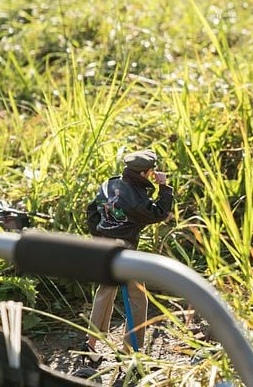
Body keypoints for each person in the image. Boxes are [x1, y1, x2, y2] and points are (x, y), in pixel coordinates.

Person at [83, 149, 174, 361]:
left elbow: (91, 211)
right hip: (125, 250)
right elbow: (159, 213)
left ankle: (91, 345)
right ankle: (130, 350)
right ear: (144, 173)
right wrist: (164, 187)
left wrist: (100, 234)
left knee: (105, 291)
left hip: (104, 245)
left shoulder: (109, 184)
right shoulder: (136, 200)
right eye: (151, 172)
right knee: (137, 296)